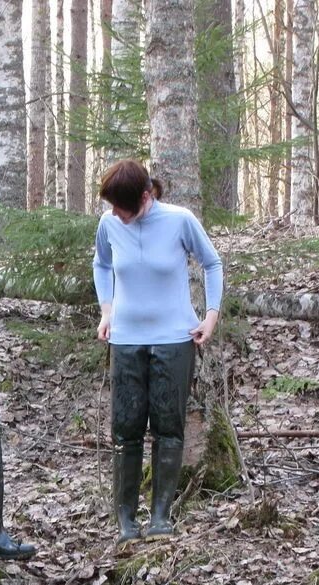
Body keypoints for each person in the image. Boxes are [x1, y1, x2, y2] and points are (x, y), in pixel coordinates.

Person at [93, 159, 223, 544]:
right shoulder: (108, 225)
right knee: (126, 429)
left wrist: (211, 316)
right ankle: (125, 519)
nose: (115, 213)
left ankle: (161, 515)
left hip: (174, 338)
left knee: (169, 427)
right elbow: (101, 264)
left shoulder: (179, 220)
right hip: (126, 338)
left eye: (121, 206)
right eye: (112, 206)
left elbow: (212, 262)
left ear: (146, 197)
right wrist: (106, 309)